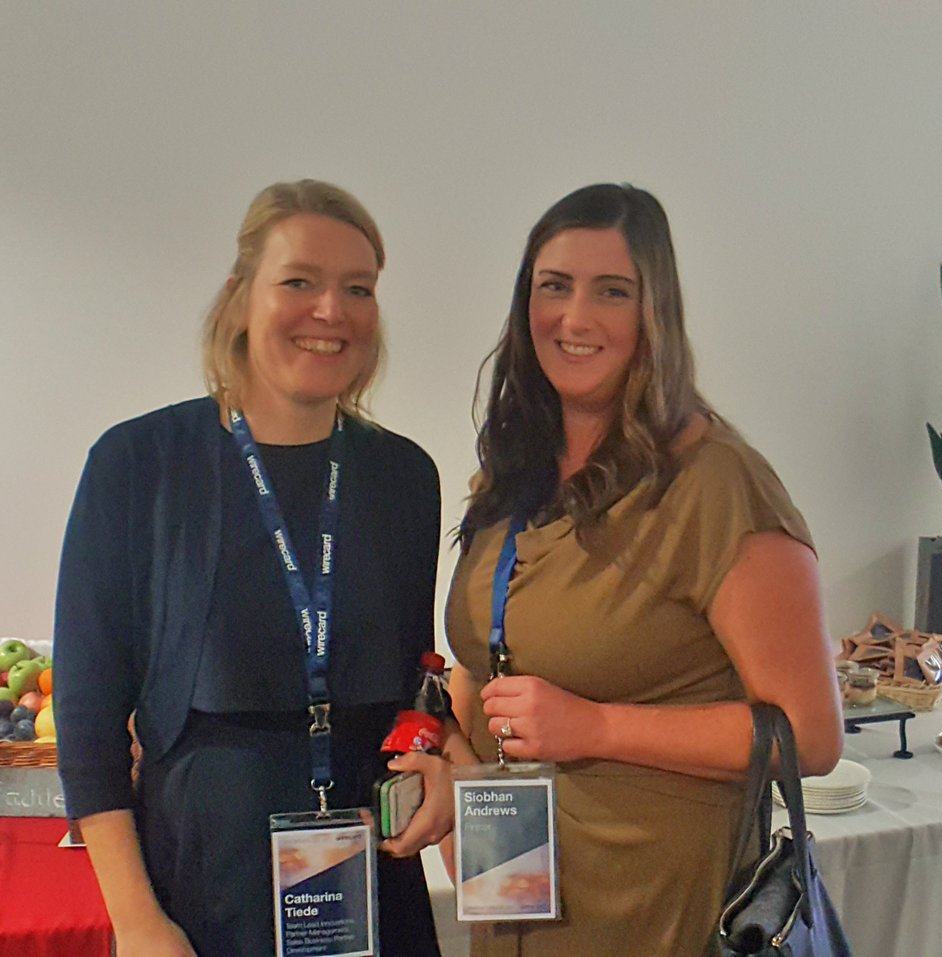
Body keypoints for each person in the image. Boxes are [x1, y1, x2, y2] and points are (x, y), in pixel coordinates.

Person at [53, 179, 455, 957]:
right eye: (299, 281)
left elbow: (417, 679)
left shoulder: (405, 475)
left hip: (374, 897)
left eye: (359, 288)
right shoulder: (138, 466)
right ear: (240, 298)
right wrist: (137, 921)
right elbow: (88, 720)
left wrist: (434, 762)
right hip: (204, 902)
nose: (331, 310)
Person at [444, 183, 844, 957]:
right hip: (517, 894)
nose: (575, 317)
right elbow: (488, 659)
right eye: (554, 286)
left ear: (654, 310)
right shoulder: (515, 471)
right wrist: (449, 768)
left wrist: (598, 726)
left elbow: (811, 735)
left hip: (656, 909)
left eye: (612, 291)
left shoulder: (717, 482)